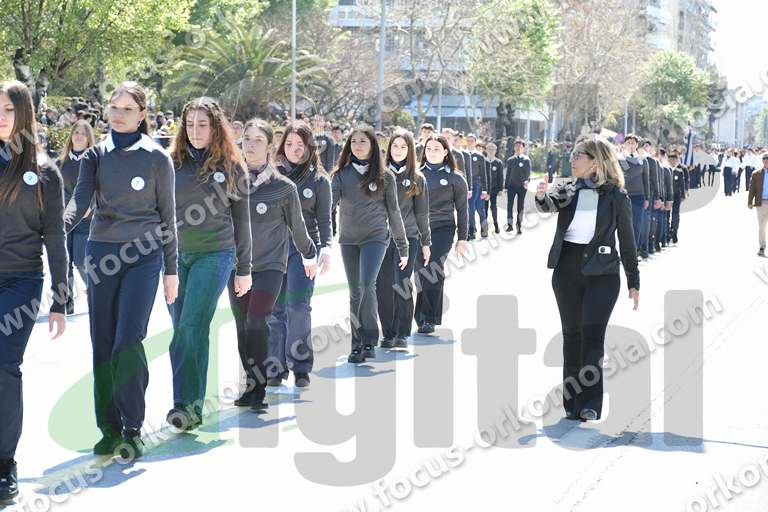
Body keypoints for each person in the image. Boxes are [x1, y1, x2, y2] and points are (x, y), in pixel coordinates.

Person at [64, 81, 178, 459]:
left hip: (144, 257)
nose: (118, 114)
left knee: (128, 340)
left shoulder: (157, 158)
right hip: (101, 254)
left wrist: (171, 270)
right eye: (114, 107)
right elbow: (80, 200)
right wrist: (57, 227)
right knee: (102, 341)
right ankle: (109, 428)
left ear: (142, 114)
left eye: (128, 109)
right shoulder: (95, 155)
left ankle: (132, 425)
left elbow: (168, 218)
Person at [534, 134, 639, 422]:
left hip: (602, 274)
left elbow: (627, 241)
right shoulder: (568, 188)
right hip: (566, 271)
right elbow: (549, 204)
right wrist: (541, 195)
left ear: (595, 162)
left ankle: (590, 403)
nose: (572, 159)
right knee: (572, 337)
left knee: (592, 338)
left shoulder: (616, 196)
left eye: (578, 155)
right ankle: (572, 403)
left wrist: (634, 281)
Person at [165, 97, 252, 430]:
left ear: (216, 128)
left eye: (202, 125)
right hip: (174, 258)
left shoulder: (232, 167)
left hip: (216, 254)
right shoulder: (170, 164)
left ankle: (187, 406)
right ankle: (186, 404)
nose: (195, 131)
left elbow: (242, 222)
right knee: (182, 330)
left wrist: (244, 269)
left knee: (192, 325)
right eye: (189, 125)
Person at [0, 81, 68, 501]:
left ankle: (4, 463)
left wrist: (61, 297)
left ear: (24, 113)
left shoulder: (44, 171)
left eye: (9, 109)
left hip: (21, 281)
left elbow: (55, 236)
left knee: (4, 365)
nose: (1, 117)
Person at [229, 119, 317, 404]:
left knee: (257, 320)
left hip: (270, 267)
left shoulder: (284, 187)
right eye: (247, 139)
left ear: (269, 147)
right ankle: (252, 381)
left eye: (258, 140)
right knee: (242, 325)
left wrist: (310, 254)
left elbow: (298, 227)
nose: (250, 145)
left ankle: (257, 388)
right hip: (237, 266)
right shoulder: (231, 182)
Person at [331, 125, 408, 363]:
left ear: (373, 145)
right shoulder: (341, 175)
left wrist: (403, 245)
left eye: (363, 141)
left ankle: (368, 341)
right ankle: (356, 344)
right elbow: (329, 206)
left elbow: (394, 212)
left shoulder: (386, 177)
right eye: (353, 141)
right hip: (348, 239)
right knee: (356, 291)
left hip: (375, 237)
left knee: (367, 284)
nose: (357, 145)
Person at [268, 121, 332, 388]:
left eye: (300, 145)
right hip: (273, 250)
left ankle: (301, 367)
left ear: (309, 148)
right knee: (275, 310)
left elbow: (325, 220)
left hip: (304, 251)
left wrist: (326, 248)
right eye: (289, 144)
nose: (294, 149)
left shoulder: (319, 181)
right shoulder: (270, 176)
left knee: (298, 307)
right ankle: (274, 367)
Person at [376, 128, 431, 349]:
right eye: (395, 146)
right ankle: (388, 333)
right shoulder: (378, 175)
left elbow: (422, 213)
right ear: (389, 148)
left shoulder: (417, 178)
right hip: (381, 238)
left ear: (410, 150)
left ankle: (401, 333)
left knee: (402, 283)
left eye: (403, 146)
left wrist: (426, 242)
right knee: (383, 286)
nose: (398, 150)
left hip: (409, 238)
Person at [414, 135, 469, 334]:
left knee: (433, 268)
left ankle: (429, 318)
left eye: (437, 148)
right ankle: (421, 316)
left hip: (443, 229)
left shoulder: (456, 178)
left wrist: (462, 238)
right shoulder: (416, 175)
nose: (432, 152)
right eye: (429, 148)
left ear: (446, 152)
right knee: (420, 271)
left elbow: (462, 210)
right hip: (418, 230)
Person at [58, 120, 96, 315]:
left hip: (85, 219)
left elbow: (101, 186)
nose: (79, 136)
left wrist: (91, 206)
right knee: (64, 263)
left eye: (83, 133)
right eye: (76, 132)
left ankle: (95, 291)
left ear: (89, 138)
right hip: (63, 219)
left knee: (81, 261)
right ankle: (67, 302)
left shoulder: (94, 161)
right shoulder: (60, 162)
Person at [504, 138, 531, 234]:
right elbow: (508, 174)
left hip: (522, 187)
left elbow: (528, 173)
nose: (518, 148)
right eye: (516, 146)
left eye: (520, 146)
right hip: (511, 186)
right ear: (514, 148)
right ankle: (510, 225)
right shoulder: (510, 160)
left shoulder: (526, 160)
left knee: (520, 206)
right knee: (509, 205)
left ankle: (519, 225)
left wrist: (527, 181)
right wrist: (505, 187)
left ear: (523, 148)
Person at [465, 134, 489, 239]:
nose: (470, 142)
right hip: (465, 184)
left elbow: (483, 174)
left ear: (475, 142)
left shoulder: (479, 156)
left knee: (477, 208)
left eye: (472, 141)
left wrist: (485, 190)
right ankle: (472, 230)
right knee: (474, 207)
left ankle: (481, 230)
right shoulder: (463, 154)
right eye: (468, 140)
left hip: (476, 184)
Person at [747, 153, 768, 257]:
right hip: (761, 203)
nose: (766, 160)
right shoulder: (756, 174)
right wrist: (750, 202)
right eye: (764, 159)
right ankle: (762, 247)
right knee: (762, 227)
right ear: (762, 160)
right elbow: (752, 189)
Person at [485, 142, 505, 234]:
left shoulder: (498, 162)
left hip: (494, 189)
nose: (491, 151)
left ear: (495, 151)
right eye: (489, 149)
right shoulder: (483, 161)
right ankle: (484, 226)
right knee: (484, 208)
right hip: (484, 190)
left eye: (493, 149)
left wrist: (501, 189)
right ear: (486, 150)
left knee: (493, 207)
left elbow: (500, 177)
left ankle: (496, 223)